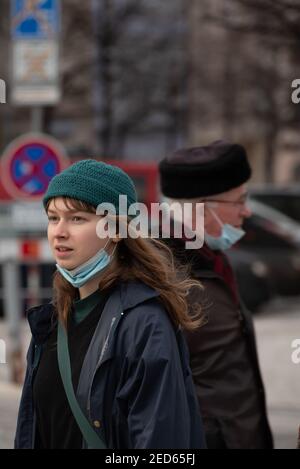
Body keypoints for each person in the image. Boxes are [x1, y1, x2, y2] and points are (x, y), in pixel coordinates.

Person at [15, 159, 206, 450]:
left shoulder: (145, 324)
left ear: (116, 230)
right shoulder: (51, 321)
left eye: (77, 218)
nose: (59, 232)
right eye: (53, 218)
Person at [159, 141, 274, 449]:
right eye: (239, 200)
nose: (247, 210)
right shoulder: (163, 276)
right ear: (203, 207)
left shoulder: (213, 259)